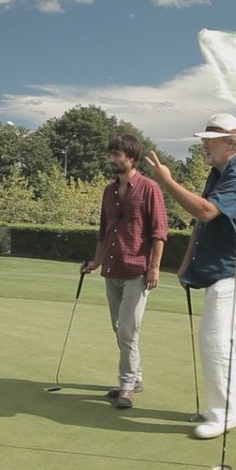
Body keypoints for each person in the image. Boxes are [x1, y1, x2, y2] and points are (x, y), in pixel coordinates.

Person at [145, 113, 236, 439]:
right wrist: (187, 264)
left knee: (215, 339)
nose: (203, 145)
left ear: (231, 143)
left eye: (210, 140)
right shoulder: (218, 174)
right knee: (233, 342)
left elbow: (206, 211)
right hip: (224, 268)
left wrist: (166, 181)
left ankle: (222, 412)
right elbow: (203, 224)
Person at [82, 134, 169, 409]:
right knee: (119, 328)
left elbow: (159, 232)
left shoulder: (149, 188)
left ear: (131, 157)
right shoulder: (109, 191)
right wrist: (95, 262)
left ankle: (127, 386)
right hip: (111, 268)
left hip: (137, 271)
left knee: (128, 330)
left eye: (117, 154)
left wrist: (154, 268)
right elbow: (103, 231)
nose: (112, 158)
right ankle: (136, 378)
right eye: (112, 154)